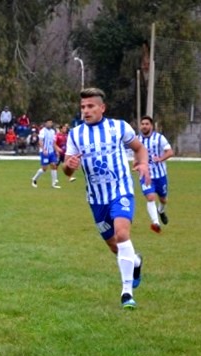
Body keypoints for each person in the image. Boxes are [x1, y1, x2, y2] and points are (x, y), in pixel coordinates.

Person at [64, 88, 149, 309]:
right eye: (83, 107)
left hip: (121, 191)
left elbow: (139, 148)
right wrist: (69, 166)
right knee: (114, 245)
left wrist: (143, 163)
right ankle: (135, 261)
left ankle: (127, 293)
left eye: (90, 106)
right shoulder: (75, 134)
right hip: (96, 198)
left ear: (102, 108)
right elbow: (67, 169)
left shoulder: (119, 127)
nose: (85, 111)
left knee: (122, 234)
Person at [137, 115, 174, 233]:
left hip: (160, 175)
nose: (144, 126)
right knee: (150, 197)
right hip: (145, 175)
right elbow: (135, 153)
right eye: (142, 124)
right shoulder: (137, 139)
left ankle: (161, 211)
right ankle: (155, 223)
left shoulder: (159, 138)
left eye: (147, 124)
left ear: (151, 126)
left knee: (163, 199)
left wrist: (160, 159)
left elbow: (170, 152)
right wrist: (136, 164)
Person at [31, 119, 61, 188]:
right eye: (48, 123)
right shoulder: (42, 131)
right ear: (46, 123)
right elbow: (40, 141)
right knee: (44, 168)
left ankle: (53, 184)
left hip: (51, 152)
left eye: (51, 123)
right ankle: (34, 179)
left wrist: (56, 150)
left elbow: (53, 142)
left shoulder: (53, 131)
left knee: (54, 165)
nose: (50, 124)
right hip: (45, 152)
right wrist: (44, 149)